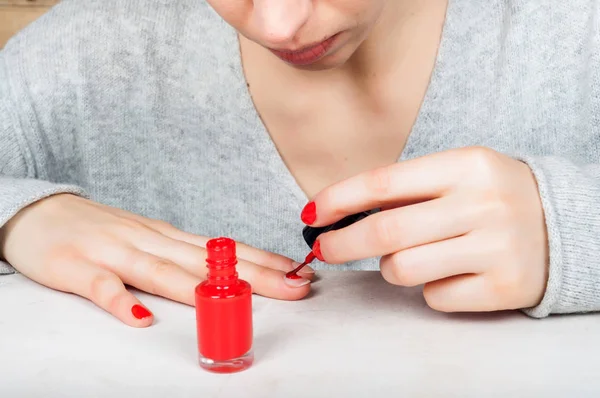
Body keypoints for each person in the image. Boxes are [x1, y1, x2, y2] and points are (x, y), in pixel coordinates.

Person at [0, 0, 598, 327]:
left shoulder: (577, 32)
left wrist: (577, 232)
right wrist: (19, 217)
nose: (280, 24)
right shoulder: (76, 55)